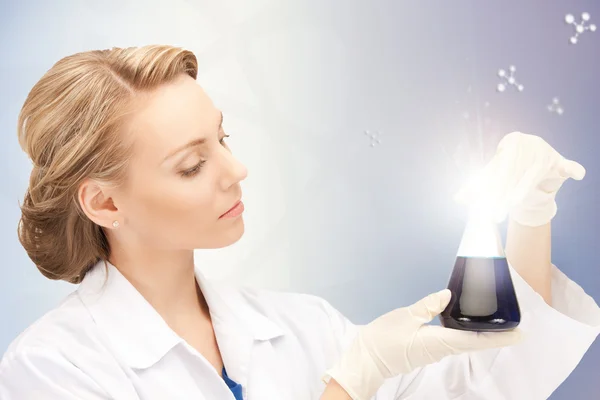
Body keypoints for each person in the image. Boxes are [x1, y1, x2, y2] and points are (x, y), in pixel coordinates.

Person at [0, 44, 598, 400]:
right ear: (105, 204)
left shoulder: (298, 326)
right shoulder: (52, 369)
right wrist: (351, 380)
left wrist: (530, 214)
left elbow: (486, 384)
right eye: (191, 165)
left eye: (223, 138)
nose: (237, 169)